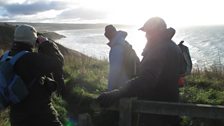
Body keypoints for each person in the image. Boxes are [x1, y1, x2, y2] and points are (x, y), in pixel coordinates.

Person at [97, 17, 185, 126]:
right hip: (171, 106)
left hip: (155, 111)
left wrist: (119, 92)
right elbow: (181, 74)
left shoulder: (159, 49)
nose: (146, 35)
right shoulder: (174, 47)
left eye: (148, 32)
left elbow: (146, 81)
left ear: (157, 32)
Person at [6, 24, 63, 126]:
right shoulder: (31, 59)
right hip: (40, 115)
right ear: (32, 40)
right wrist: (46, 43)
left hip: (17, 115)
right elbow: (58, 62)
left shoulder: (5, 57)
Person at [104, 25, 139, 91]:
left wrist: (109, 90)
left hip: (121, 87)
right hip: (130, 83)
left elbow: (114, 72)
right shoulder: (124, 43)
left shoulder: (116, 48)